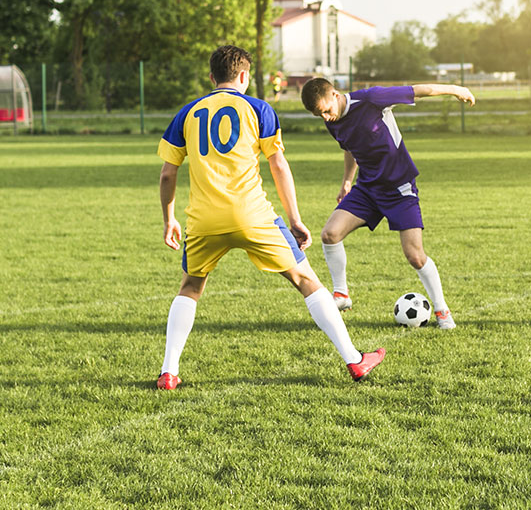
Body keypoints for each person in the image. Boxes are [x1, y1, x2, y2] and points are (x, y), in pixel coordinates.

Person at [155, 45, 384, 390]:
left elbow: (167, 175)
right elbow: (277, 165)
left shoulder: (187, 113)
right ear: (244, 75)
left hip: (203, 221)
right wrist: (295, 219)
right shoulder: (259, 109)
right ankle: (354, 360)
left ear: (212, 77)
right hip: (253, 217)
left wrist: (169, 218)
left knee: (190, 286)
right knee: (306, 280)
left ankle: (168, 372)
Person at [301, 77, 476, 329]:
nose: (326, 118)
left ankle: (442, 311)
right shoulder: (333, 122)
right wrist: (347, 182)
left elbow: (419, 91)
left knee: (415, 255)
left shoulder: (371, 99)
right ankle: (341, 294)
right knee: (329, 234)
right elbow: (349, 147)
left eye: (326, 111)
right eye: (320, 115)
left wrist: (456, 90)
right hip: (368, 189)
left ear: (336, 95)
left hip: (399, 188)